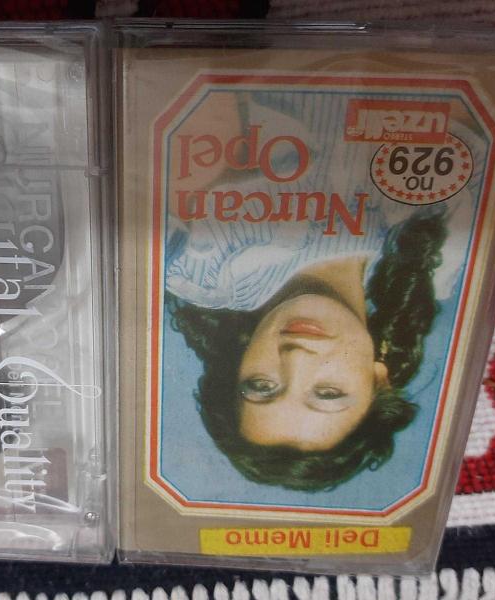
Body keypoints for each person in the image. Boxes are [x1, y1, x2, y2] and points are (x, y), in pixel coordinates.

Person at [163, 92, 471, 492]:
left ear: (239, 363)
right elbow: (464, 104)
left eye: (262, 386)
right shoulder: (436, 259)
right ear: (379, 380)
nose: (296, 358)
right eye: (328, 392)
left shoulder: (196, 266)